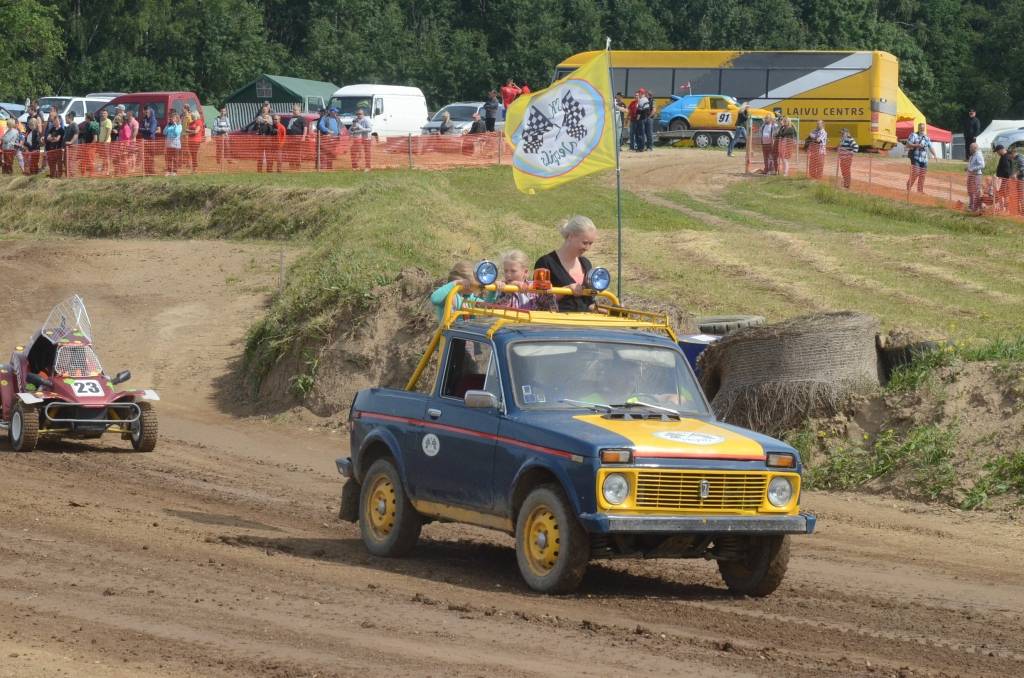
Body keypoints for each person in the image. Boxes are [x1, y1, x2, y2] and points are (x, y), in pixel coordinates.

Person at [533, 215, 598, 313]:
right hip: (556, 325)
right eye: (584, 243)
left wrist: (606, 309)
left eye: (590, 243)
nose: (587, 248)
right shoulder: (545, 263)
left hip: (585, 324)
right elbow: (539, 301)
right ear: (571, 236)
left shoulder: (586, 264)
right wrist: (566, 290)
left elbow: (588, 304)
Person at [905, 122, 937, 193]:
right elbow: (907, 144)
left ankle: (920, 190)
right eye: (921, 128)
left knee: (922, 175)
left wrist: (934, 155)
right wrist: (916, 145)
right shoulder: (914, 135)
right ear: (918, 128)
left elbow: (930, 147)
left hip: (924, 159)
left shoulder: (927, 137)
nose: (922, 129)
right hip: (915, 157)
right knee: (916, 172)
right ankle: (908, 186)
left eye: (923, 128)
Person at [77, 112, 99, 176]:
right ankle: (83, 174)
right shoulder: (86, 124)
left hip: (91, 147)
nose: (85, 119)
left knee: (90, 160)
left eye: (85, 117)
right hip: (85, 145)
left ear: (88, 118)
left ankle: (91, 174)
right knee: (83, 160)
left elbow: (95, 139)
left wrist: (89, 146)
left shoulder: (94, 126)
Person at [285, 104, 306, 169]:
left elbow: (305, 128)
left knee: (297, 152)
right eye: (293, 110)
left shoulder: (302, 119)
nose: (293, 111)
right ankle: (291, 165)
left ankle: (297, 166)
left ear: (299, 111)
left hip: (297, 138)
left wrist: (303, 137)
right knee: (290, 152)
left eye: (295, 110)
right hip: (290, 139)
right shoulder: (291, 118)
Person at [965, 142, 985, 212]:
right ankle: (971, 206)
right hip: (971, 175)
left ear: (975, 148)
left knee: (976, 192)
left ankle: (977, 207)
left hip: (976, 175)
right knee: (970, 191)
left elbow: (982, 165)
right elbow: (972, 165)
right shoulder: (972, 155)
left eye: (971, 147)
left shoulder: (978, 155)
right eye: (970, 147)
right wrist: (967, 168)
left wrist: (972, 169)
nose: (969, 149)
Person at [139, 106, 158, 175]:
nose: (145, 113)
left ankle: (151, 171)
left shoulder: (153, 120)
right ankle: (146, 171)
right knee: (145, 156)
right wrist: (145, 129)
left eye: (146, 112)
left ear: (150, 112)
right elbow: (139, 129)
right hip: (144, 140)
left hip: (151, 140)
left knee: (150, 157)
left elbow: (151, 130)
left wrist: (144, 129)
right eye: (144, 112)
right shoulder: (144, 120)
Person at [994, 144, 1013, 212]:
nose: (997, 153)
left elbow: (1006, 170)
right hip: (1004, 179)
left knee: (1005, 194)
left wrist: (1000, 177)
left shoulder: (1006, 157)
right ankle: (1003, 209)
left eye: (997, 151)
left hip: (1005, 180)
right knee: (1002, 194)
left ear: (1001, 150)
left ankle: (1007, 209)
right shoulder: (1004, 156)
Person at [164, 111, 182, 175]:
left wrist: (175, 125)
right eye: (171, 118)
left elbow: (177, 133)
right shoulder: (169, 125)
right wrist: (167, 125)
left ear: (176, 119)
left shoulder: (179, 126)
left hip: (176, 145)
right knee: (168, 158)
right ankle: (168, 171)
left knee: (175, 159)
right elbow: (164, 132)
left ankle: (174, 171)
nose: (171, 119)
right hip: (169, 145)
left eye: (173, 118)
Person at [185, 108, 203, 173]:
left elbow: (196, 131)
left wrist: (189, 131)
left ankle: (195, 169)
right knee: (192, 154)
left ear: (196, 115)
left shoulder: (199, 121)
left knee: (194, 154)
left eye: (192, 116)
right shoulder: (191, 122)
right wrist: (189, 131)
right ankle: (193, 168)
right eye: (191, 116)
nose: (191, 117)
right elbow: (186, 130)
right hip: (190, 140)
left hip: (196, 141)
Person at [97, 108, 113, 174]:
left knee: (107, 156)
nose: (103, 114)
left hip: (106, 142)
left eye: (104, 113)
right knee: (103, 156)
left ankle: (108, 170)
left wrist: (105, 141)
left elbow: (109, 132)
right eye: (102, 113)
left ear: (107, 114)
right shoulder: (100, 121)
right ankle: (103, 169)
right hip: (101, 141)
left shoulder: (108, 121)